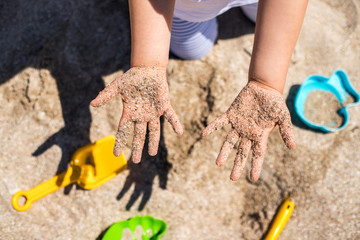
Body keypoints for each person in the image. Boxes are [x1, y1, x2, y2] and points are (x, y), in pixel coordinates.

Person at [90, 0, 308, 182]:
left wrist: (266, 82)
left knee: (264, 18)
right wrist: (148, 62)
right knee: (193, 49)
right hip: (183, 7)